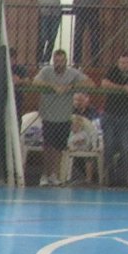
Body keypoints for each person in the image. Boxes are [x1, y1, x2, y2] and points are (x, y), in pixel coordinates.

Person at [33, 49, 94, 186]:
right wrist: (53, 86)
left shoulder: (73, 73)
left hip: (64, 117)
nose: (58, 63)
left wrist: (71, 86)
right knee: (48, 147)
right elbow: (35, 82)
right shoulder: (46, 71)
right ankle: (45, 175)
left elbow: (90, 83)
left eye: (61, 61)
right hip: (49, 116)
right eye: (56, 61)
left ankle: (54, 175)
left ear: (66, 61)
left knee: (59, 148)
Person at [100, 53, 128, 186]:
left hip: (126, 116)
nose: (124, 65)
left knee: (125, 147)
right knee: (109, 146)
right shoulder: (113, 71)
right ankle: (109, 177)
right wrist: (123, 88)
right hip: (110, 115)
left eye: (127, 62)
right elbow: (104, 83)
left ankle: (122, 178)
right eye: (122, 62)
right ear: (118, 63)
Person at [33, 0, 67, 65]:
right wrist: (39, 3)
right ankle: (39, 60)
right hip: (44, 13)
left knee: (52, 38)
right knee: (43, 37)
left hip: (56, 14)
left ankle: (46, 60)